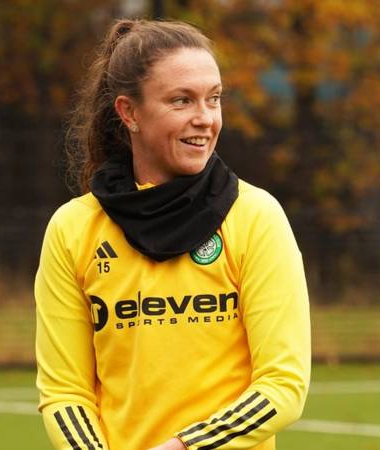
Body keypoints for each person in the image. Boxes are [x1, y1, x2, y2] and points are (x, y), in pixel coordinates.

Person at [35, 18, 311, 450]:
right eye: (182, 101)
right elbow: (65, 392)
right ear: (129, 113)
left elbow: (284, 386)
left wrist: (184, 446)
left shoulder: (255, 216)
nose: (205, 119)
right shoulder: (73, 229)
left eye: (214, 99)